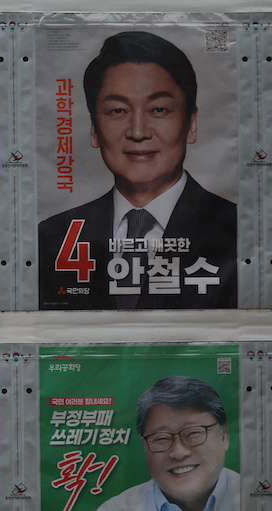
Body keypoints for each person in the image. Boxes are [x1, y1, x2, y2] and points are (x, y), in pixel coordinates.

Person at [38, 31, 237, 310]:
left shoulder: (238, 231)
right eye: (118, 111)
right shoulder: (53, 237)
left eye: (158, 109)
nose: (138, 132)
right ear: (95, 130)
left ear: (191, 124)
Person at [65, 376, 240, 511]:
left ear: (224, 435)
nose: (178, 452)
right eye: (161, 438)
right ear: (145, 448)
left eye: (193, 433)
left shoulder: (256, 506)